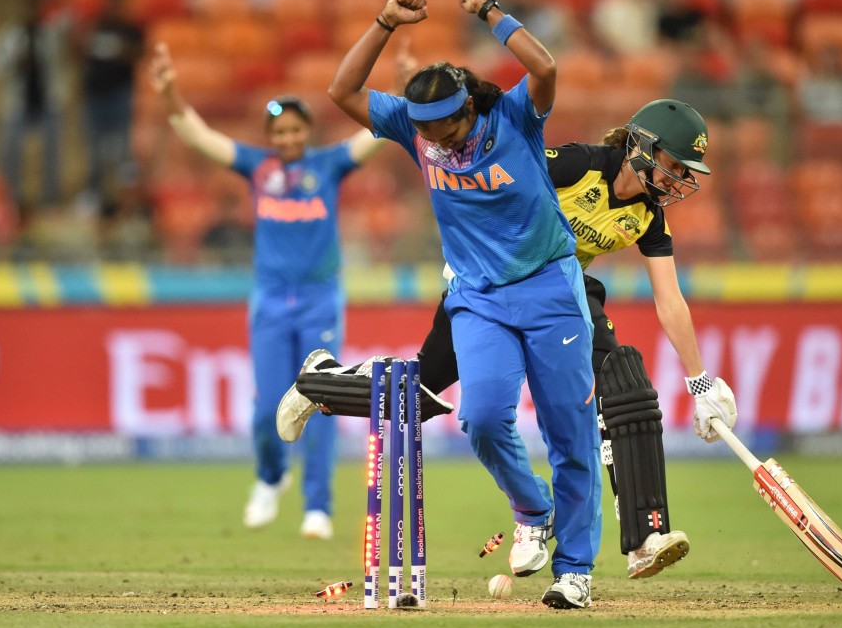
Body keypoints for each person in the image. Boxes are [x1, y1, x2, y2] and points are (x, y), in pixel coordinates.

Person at [278, 98, 739, 582]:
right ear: (642, 146)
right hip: (492, 282)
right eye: (673, 165)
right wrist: (468, 244)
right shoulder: (580, 165)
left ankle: (645, 536)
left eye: (685, 172)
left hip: (565, 295)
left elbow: (670, 301)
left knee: (622, 381)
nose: (678, 180)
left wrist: (701, 382)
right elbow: (494, 176)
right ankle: (321, 381)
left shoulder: (648, 217)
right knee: (420, 397)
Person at [326, 0, 601, 609]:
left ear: (467, 108)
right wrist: (384, 22)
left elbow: (546, 65)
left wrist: (489, 12)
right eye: (424, 129)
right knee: (479, 418)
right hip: (476, 297)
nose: (436, 139)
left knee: (568, 429)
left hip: (550, 288)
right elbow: (341, 92)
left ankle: (575, 569)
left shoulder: (513, 115)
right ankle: (534, 508)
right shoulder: (415, 126)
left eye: (445, 126)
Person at [148, 41, 388, 539]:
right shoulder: (257, 167)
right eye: (279, 131)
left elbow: (376, 134)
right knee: (265, 407)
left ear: (308, 130)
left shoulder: (329, 165)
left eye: (296, 129)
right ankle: (270, 477)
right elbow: (198, 136)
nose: (288, 138)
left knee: (323, 401)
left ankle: (317, 506)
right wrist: (170, 93)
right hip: (272, 303)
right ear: (271, 135)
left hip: (321, 299)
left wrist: (406, 93)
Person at [0, 0, 68, 212]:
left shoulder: (50, 35)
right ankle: (12, 199)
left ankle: (49, 199)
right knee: (11, 153)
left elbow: (69, 29)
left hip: (47, 103)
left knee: (51, 155)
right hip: (19, 104)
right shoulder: (11, 37)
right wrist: (16, 62)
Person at [74, 0, 144, 214]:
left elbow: (138, 55)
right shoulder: (95, 27)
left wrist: (119, 50)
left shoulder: (130, 29)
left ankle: (127, 203)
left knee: (123, 152)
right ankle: (94, 195)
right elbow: (78, 54)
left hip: (119, 96)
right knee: (95, 151)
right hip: (95, 96)